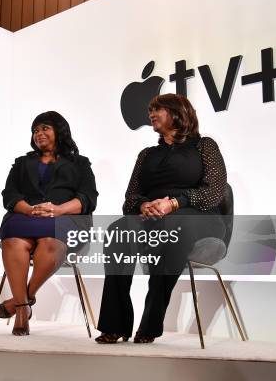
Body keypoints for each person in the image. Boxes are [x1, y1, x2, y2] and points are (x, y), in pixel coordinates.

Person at [96, 93, 227, 344]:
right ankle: (115, 324)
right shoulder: (147, 155)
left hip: (197, 216)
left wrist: (173, 203)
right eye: (150, 110)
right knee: (117, 230)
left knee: (172, 227)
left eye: (157, 110)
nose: (151, 115)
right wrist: (144, 205)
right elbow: (130, 198)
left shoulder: (204, 146)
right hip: (153, 217)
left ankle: (151, 322)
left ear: (178, 113)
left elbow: (214, 192)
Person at [0, 111, 98, 336]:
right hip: (25, 216)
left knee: (50, 241)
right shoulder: (22, 163)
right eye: (35, 130)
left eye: (44, 128)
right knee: (12, 238)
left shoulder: (79, 163)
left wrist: (58, 209)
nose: (38, 134)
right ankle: (24, 309)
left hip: (66, 218)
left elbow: (89, 197)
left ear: (59, 131)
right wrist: (30, 209)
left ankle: (19, 303)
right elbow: (9, 195)